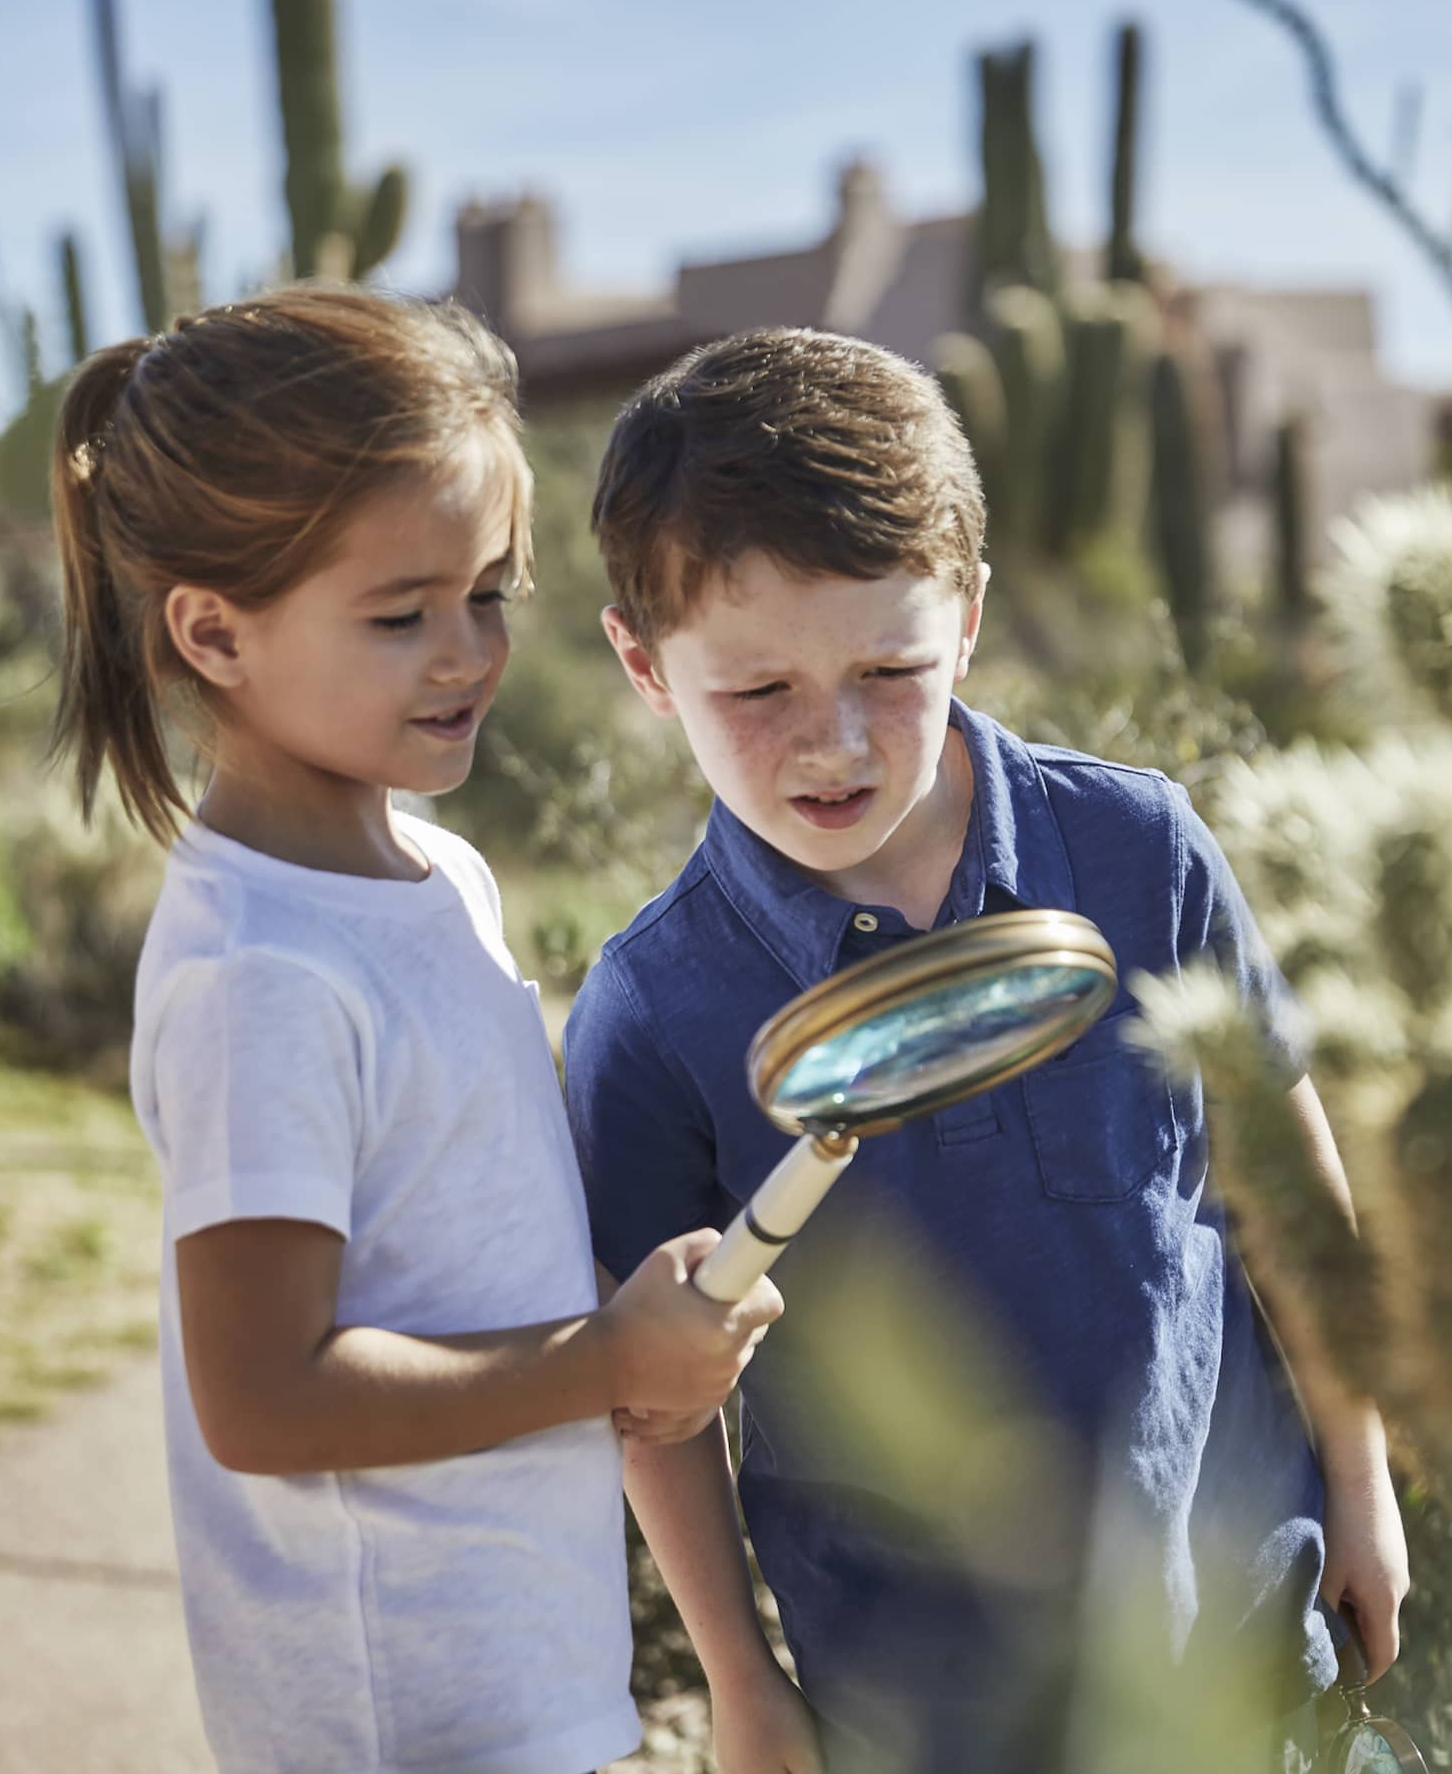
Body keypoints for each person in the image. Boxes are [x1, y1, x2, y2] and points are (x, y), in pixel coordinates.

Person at [563, 326, 1410, 1774]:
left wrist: (1359, 1469)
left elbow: (1276, 1157)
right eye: (756, 693)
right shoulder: (655, 1008)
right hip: (928, 1709)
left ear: (964, 616)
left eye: (887, 667)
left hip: (1240, 1639)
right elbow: (657, 1401)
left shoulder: (1135, 850)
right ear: (645, 667)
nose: (830, 743)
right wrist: (741, 1680)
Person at [48, 285, 784, 1774]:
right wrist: (599, 1359)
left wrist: (638, 1319)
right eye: (401, 615)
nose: (467, 654)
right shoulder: (261, 972)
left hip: (526, 1690)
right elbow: (260, 1395)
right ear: (212, 631)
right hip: (404, 1730)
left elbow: (477, 1233)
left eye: (488, 593)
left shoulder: (436, 873)